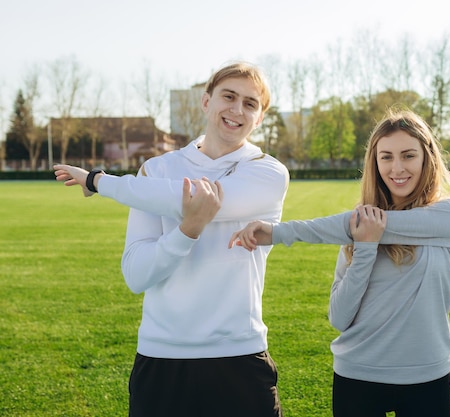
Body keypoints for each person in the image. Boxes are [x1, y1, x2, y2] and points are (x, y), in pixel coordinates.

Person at [54, 61, 289, 417]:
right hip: (161, 359)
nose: (237, 109)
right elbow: (137, 276)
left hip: (239, 357)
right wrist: (186, 231)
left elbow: (189, 198)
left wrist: (99, 181)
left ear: (259, 118)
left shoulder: (268, 172)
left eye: (250, 103)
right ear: (206, 102)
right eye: (228, 96)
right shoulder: (156, 171)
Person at [229, 108, 450, 417]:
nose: (397, 167)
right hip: (357, 376)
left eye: (408, 155)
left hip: (426, 376)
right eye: (386, 157)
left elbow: (367, 223)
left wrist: (279, 232)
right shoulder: (359, 233)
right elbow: (340, 318)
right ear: (374, 162)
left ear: (428, 158)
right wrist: (366, 249)